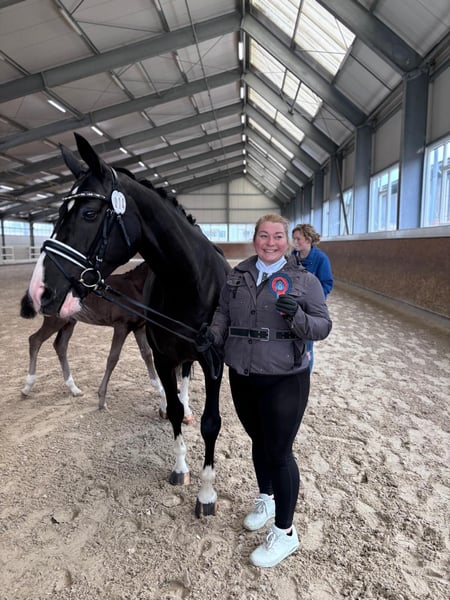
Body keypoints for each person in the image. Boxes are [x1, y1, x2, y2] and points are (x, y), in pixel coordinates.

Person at [196, 214, 332, 568]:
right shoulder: (236, 276)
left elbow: (322, 326)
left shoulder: (305, 281)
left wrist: (297, 317)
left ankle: (286, 532)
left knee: (280, 452)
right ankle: (266, 498)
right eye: (264, 236)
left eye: (277, 236)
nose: (270, 243)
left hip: (286, 377)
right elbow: (223, 314)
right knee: (258, 440)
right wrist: (213, 335)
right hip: (243, 374)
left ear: (287, 241)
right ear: (254, 238)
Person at [291, 224, 333, 372]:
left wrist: (316, 300)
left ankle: (305, 374)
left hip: (309, 309)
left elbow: (327, 283)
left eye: (298, 239)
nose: (295, 242)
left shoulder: (321, 259)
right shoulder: (292, 257)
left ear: (308, 240)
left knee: (307, 346)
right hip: (293, 306)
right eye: (294, 239)